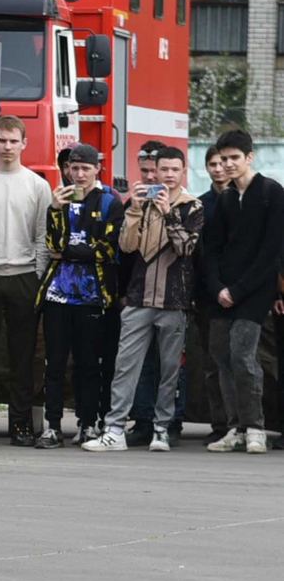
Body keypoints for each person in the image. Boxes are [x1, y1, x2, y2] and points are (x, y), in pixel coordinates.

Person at [84, 146, 202, 452]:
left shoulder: (193, 206)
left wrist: (168, 213)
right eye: (163, 170)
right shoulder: (143, 204)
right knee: (126, 366)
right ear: (155, 172)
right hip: (138, 298)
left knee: (169, 369)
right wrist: (135, 209)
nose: (168, 176)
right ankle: (115, 429)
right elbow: (126, 246)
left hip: (173, 300)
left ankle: (162, 428)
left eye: (175, 170)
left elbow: (186, 249)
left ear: (183, 172)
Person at [199, 128, 284, 454]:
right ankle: (234, 427)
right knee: (221, 357)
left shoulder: (271, 193)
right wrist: (219, 287)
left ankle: (255, 428)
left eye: (235, 158)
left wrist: (238, 289)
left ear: (250, 157)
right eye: (223, 159)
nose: (229, 164)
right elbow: (213, 249)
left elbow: (271, 252)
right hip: (223, 294)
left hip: (255, 292)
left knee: (244, 356)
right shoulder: (226, 199)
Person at [35, 142, 122, 448]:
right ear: (67, 169)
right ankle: (53, 426)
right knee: (54, 363)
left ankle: (89, 423)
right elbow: (52, 245)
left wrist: (71, 252)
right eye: (75, 168)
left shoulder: (110, 201)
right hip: (58, 295)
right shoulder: (58, 201)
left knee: (88, 364)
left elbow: (108, 250)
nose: (80, 174)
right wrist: (57, 211)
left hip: (93, 296)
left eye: (86, 168)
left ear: (97, 168)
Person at [0, 115, 53, 445]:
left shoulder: (37, 185)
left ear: (24, 143)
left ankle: (21, 423)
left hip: (23, 276)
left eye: (13, 141)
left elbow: (42, 234)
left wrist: (36, 275)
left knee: (23, 355)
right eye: (2, 140)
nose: (7, 147)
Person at [194, 145, 231, 436]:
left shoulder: (252, 200)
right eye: (212, 164)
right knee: (212, 363)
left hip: (244, 294)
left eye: (223, 162)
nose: (218, 168)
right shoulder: (201, 204)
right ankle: (220, 424)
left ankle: (243, 424)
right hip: (208, 296)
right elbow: (199, 255)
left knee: (244, 363)